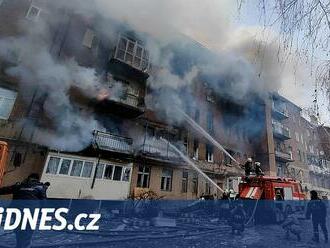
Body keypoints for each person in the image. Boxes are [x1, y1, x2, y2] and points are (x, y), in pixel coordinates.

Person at [0, 173, 49, 248]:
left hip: (17, 211)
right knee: (27, 231)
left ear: (28, 178)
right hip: (31, 212)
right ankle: (24, 245)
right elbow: (44, 202)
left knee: (19, 230)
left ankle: (20, 244)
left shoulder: (19, 185)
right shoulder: (40, 187)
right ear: (37, 179)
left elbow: (3, 190)